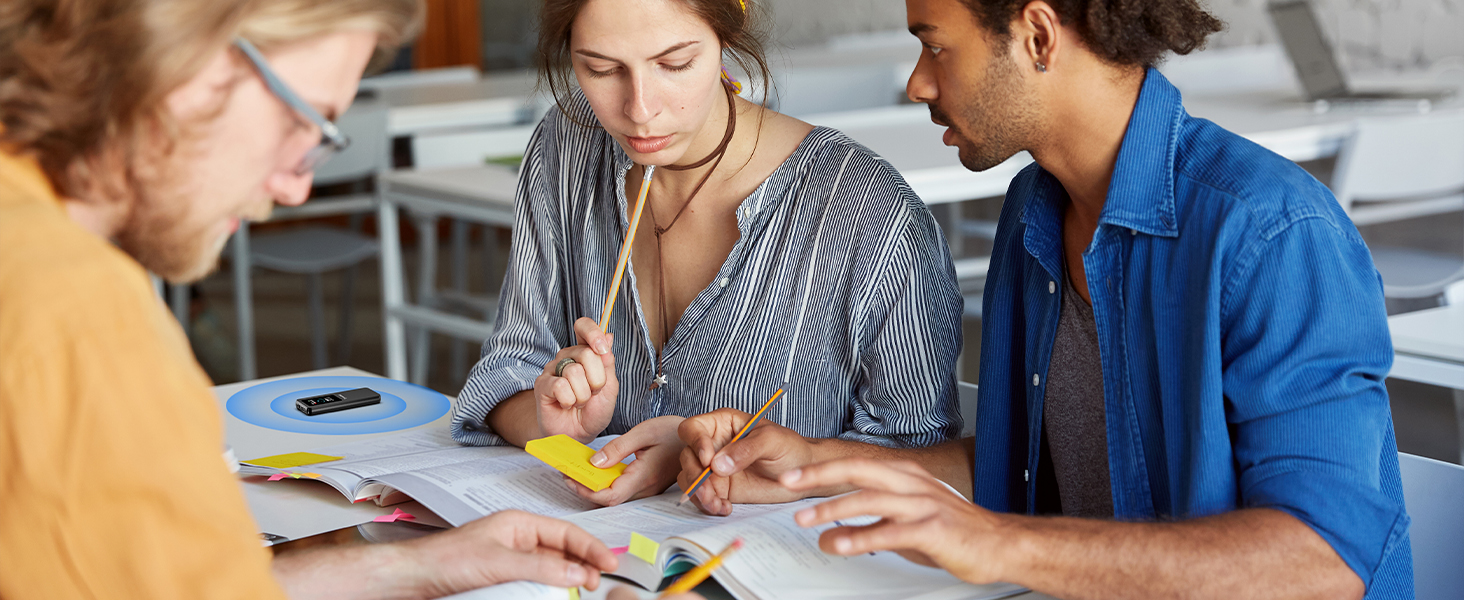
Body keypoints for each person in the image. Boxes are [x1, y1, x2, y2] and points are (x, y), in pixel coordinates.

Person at [677, 0, 1413, 598]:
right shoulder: (1036, 206)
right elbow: (1036, 467)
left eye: (934, 45)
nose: (917, 83)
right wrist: (813, 463)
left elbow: (1323, 560)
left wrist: (998, 541)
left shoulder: (1274, 232)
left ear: (1036, 35)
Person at [0, 1, 628, 597]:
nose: (297, 185)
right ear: (193, 66)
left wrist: (420, 567)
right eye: (305, 123)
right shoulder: (82, 318)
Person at [451, 0, 965, 508]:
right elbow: (507, 371)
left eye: (675, 64)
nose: (640, 110)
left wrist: (706, 456)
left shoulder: (871, 215)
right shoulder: (566, 146)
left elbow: (923, 457)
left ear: (727, 35)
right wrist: (551, 421)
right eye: (601, 69)